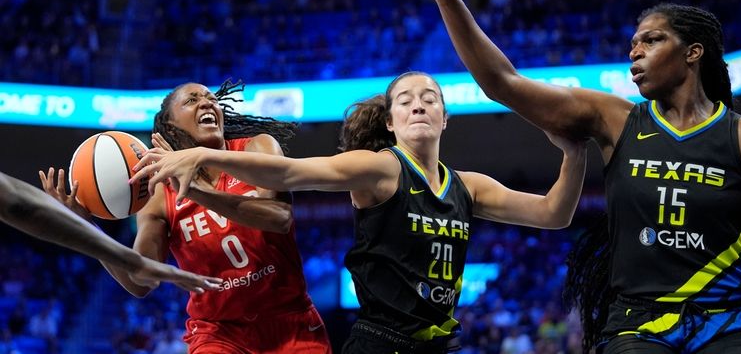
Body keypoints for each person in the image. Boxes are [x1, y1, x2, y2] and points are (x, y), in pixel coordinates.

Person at [427, 0, 741, 352]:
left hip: (730, 321)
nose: (634, 51)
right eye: (632, 43)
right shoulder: (615, 119)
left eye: (652, 40)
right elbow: (503, 83)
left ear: (693, 52)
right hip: (640, 324)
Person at [130, 71, 587, 354]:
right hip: (381, 342)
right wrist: (204, 159)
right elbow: (289, 173)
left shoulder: (469, 185)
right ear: (390, 122)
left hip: (437, 343)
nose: (419, 102)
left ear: (447, 118)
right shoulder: (379, 168)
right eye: (405, 99)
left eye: (430, 97)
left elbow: (554, 213)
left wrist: (574, 150)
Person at [41, 79, 332, 354]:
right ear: (170, 126)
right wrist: (85, 226)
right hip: (218, 332)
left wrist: (196, 191)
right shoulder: (158, 194)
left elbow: (279, 218)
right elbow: (141, 281)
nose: (207, 103)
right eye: (192, 100)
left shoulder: (257, 147)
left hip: (289, 322)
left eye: (211, 99)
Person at [0, 170, 222, 292]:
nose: (207, 103)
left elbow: (17, 201)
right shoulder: (161, 198)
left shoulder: (248, 152)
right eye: (192, 100)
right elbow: (17, 203)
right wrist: (86, 221)